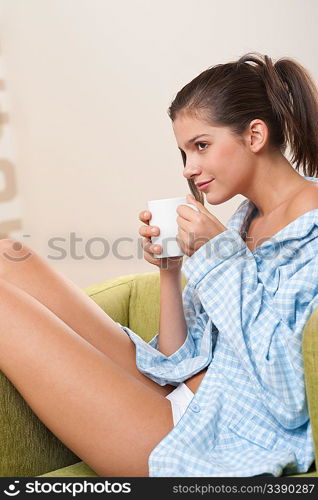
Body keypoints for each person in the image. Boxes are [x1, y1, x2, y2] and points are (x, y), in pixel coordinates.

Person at [0, 52, 317, 478]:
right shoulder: (245, 222)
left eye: (201, 146)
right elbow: (178, 359)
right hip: (176, 393)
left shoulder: (309, 231)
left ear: (255, 135)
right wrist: (170, 272)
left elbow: (291, 394)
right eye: (184, 152)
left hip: (211, 438)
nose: (190, 169)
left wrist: (218, 255)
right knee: (9, 257)